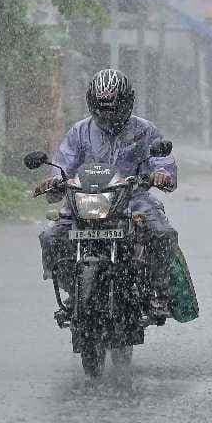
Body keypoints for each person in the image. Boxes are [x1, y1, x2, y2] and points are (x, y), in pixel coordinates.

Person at [36, 69, 179, 321]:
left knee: (163, 234)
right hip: (85, 200)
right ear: (92, 103)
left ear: (127, 102)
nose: (108, 114)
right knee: (50, 236)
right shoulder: (80, 132)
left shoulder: (145, 131)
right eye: (102, 108)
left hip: (132, 199)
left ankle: (159, 292)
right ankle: (74, 287)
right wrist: (55, 181)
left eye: (114, 107)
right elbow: (63, 164)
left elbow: (162, 161)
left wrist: (161, 174)